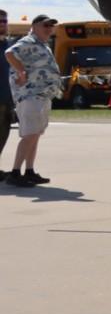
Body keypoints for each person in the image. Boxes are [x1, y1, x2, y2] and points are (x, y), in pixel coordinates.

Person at [5, 14, 61, 186]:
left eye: (51, 26)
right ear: (35, 26)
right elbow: (9, 53)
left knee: (35, 135)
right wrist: (21, 72)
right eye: (45, 25)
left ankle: (29, 171)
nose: (49, 28)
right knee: (30, 134)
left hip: (42, 95)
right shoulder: (28, 41)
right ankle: (15, 173)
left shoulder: (43, 45)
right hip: (30, 95)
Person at [0, 10, 13, 163]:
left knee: (3, 134)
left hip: (7, 99)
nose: (3, 24)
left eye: (5, 21)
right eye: (0, 21)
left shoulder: (9, 46)